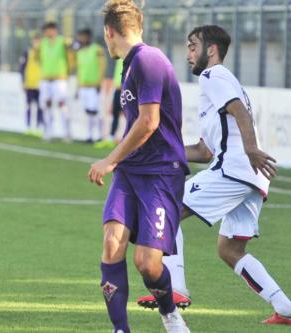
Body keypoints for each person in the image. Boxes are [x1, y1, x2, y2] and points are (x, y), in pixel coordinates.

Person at [136, 25, 291, 326]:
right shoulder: (217, 85)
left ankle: (176, 288)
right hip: (249, 177)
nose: (188, 53)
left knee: (167, 207)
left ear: (211, 49)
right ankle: (285, 307)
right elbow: (205, 150)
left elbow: (238, 111)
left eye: (193, 46)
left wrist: (250, 148)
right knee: (230, 249)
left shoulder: (213, 75)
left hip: (235, 170)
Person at [88, 1, 190, 332]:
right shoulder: (130, 64)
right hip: (131, 173)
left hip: (161, 173)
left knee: (147, 264)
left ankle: (170, 314)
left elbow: (149, 122)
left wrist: (109, 159)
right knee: (111, 243)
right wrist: (120, 162)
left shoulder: (148, 60)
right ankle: (121, 330)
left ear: (109, 32)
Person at [38, 21, 73, 141]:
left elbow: (71, 51)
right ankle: (48, 130)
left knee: (62, 104)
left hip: (59, 78)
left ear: (54, 30)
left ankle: (66, 132)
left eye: (49, 30)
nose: (47, 32)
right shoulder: (42, 43)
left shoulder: (62, 41)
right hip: (46, 78)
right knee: (46, 104)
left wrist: (69, 71)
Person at [75, 28, 107, 143]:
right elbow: (79, 70)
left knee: (95, 111)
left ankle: (99, 135)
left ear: (88, 37)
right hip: (83, 86)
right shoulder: (80, 52)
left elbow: (102, 66)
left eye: (82, 36)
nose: (80, 39)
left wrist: (99, 82)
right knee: (88, 111)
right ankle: (89, 136)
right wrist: (77, 87)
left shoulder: (97, 50)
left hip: (94, 86)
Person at [95, 58, 124, 148]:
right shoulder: (120, 58)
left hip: (127, 90)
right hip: (117, 89)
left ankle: (128, 140)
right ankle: (111, 138)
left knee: (130, 116)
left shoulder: (131, 58)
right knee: (114, 114)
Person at [19, 33, 43, 136]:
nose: (36, 43)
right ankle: (28, 126)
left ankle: (39, 127)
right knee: (29, 106)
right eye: (35, 40)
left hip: (40, 84)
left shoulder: (44, 52)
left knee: (40, 107)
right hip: (29, 83)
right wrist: (23, 81)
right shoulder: (27, 52)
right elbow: (22, 68)